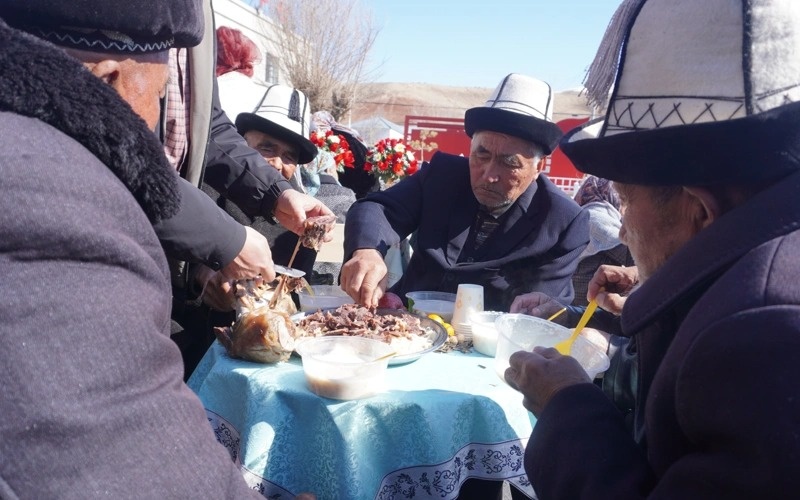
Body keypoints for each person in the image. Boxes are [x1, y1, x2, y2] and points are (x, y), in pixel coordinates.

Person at [0, 2, 312, 498]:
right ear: (107, 82)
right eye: (162, 93)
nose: (157, 117)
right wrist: (225, 238)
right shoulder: (51, 209)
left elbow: (206, 128)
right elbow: (127, 455)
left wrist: (275, 193)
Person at [505, 0, 800, 497]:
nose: (621, 231)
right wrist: (654, 299)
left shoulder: (767, 330)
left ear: (698, 209)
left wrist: (567, 403)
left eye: (623, 199)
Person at [341, 73, 590, 311]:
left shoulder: (561, 222)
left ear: (539, 167)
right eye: (481, 155)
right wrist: (367, 250)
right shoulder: (441, 176)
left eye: (509, 162)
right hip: (405, 323)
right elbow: (377, 209)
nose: (489, 174)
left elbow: (538, 312)